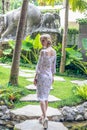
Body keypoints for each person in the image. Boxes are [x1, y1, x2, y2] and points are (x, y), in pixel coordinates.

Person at [34, 34, 56, 129]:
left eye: (43, 40)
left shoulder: (43, 52)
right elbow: (53, 66)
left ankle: (45, 117)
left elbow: (39, 66)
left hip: (42, 76)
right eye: (41, 40)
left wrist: (35, 77)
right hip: (49, 76)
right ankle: (42, 116)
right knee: (46, 97)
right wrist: (53, 76)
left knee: (42, 98)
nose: (42, 42)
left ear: (48, 41)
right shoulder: (54, 52)